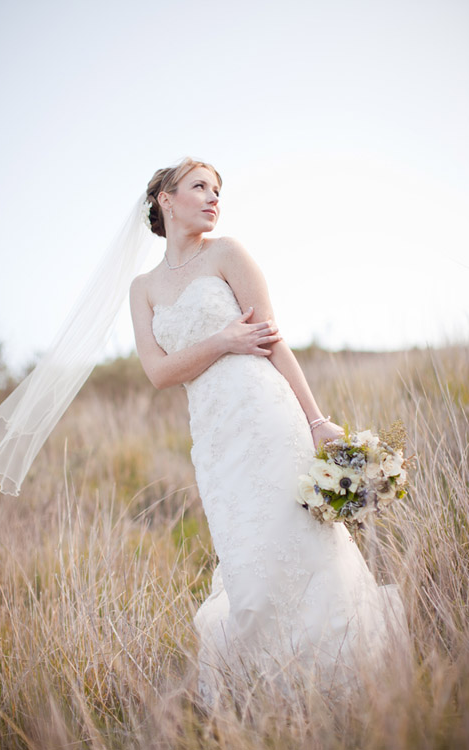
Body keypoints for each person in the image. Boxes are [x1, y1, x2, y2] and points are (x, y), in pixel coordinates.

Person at [130, 157, 408, 708]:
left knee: (298, 541)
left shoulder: (228, 253)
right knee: (246, 556)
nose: (213, 197)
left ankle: (340, 679)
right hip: (212, 434)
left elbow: (272, 339)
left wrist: (316, 420)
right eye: (200, 187)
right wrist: (221, 342)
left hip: (265, 413)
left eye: (217, 190)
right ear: (165, 198)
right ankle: (269, 689)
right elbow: (160, 372)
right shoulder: (144, 288)